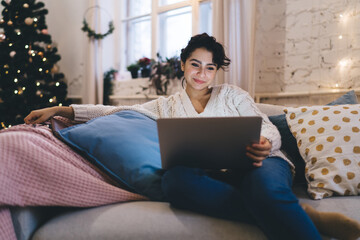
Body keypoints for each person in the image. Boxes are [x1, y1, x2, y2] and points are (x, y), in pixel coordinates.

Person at [15, 33, 360, 240]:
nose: (202, 74)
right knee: (176, 183)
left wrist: (266, 143)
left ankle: (291, 213)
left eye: (210, 67)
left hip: (260, 162)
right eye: (196, 65)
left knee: (266, 187)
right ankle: (300, 215)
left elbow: (265, 123)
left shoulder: (233, 95)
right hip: (207, 173)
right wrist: (66, 110)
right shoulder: (165, 105)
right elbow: (114, 112)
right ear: (183, 64)